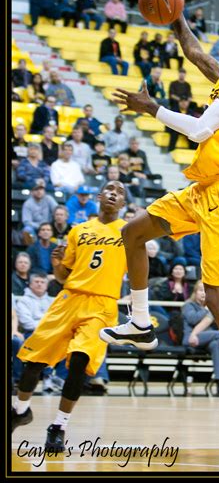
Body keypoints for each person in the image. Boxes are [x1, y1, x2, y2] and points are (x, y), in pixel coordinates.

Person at [100, 14, 219, 444]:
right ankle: (141, 322)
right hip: (203, 188)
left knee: (217, 299)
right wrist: (176, 14)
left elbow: (201, 129)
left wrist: (152, 108)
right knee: (133, 232)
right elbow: (194, 51)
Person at [12, 181, 128, 451]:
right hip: (68, 299)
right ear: (99, 197)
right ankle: (20, 411)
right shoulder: (79, 230)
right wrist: (56, 265)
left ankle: (58, 427)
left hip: (102, 305)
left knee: (79, 361)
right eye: (109, 188)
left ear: (123, 203)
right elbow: (64, 276)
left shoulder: (129, 231)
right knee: (33, 361)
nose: (113, 193)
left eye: (120, 192)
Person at [182, 281, 219, 395]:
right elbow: (193, 319)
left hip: (209, 340)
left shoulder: (212, 307)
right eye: (201, 290)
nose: (204, 293)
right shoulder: (188, 305)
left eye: (207, 291)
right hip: (191, 338)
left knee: (216, 344)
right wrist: (207, 309)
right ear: (195, 292)